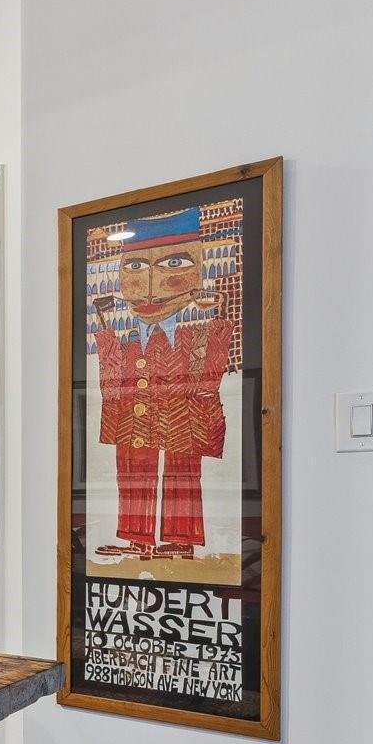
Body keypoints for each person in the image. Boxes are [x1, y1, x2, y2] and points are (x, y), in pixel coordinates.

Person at [87, 207, 233, 561]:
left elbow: (210, 371)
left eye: (174, 263)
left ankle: (181, 540)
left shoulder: (193, 333)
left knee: (183, 471)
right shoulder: (127, 336)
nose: (150, 287)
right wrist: (103, 321)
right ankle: (138, 538)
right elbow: (111, 376)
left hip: (182, 415)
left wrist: (220, 312)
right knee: (133, 470)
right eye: (136, 266)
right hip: (134, 417)